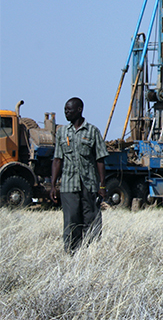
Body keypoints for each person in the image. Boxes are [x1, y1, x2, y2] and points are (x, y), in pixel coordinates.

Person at [50, 97, 108, 254]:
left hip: (89, 185)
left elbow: (100, 159)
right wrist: (53, 185)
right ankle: (71, 254)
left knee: (91, 220)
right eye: (65, 110)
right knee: (71, 221)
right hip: (69, 185)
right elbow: (57, 160)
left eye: (69, 110)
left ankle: (91, 253)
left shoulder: (92, 131)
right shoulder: (62, 133)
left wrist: (102, 185)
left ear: (79, 109)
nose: (66, 113)